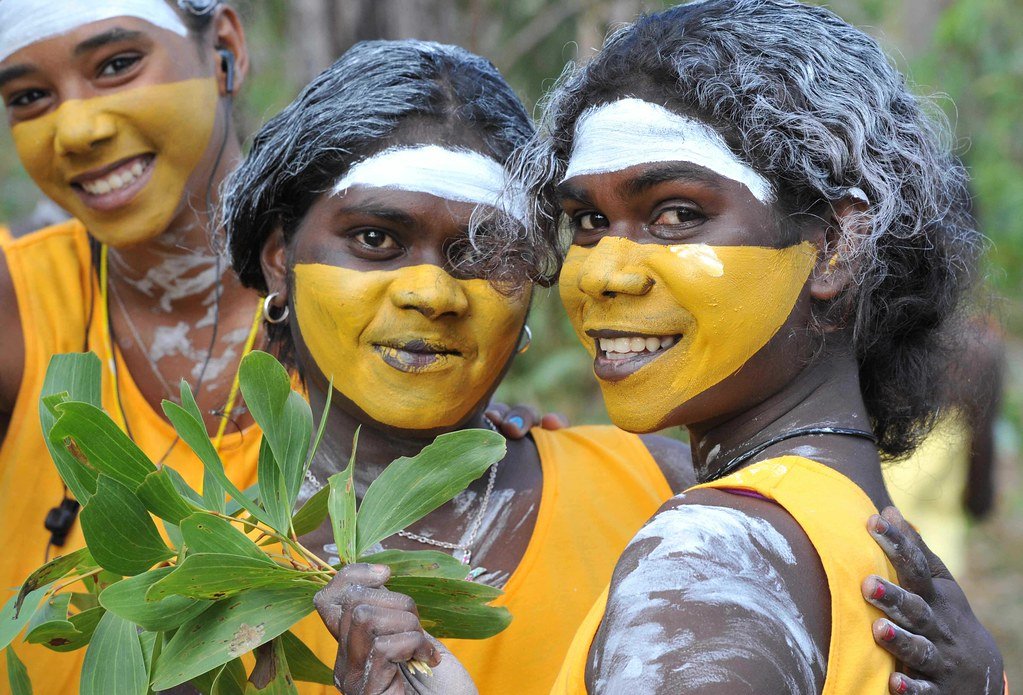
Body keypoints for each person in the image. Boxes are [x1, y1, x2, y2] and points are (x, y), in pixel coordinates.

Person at [313, 1, 1006, 694]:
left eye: (676, 215)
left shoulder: (706, 562)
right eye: (585, 220)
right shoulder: (863, 543)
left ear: (834, 246)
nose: (603, 272)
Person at [222, 38, 694, 694]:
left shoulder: (669, 497)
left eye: (479, 250)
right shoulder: (197, 541)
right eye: (374, 239)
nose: (433, 293)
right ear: (280, 260)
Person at [0, 1, 264, 689]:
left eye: (117, 65)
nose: (77, 129)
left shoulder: (358, 295)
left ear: (224, 47)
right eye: (29, 97)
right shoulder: (16, 306)